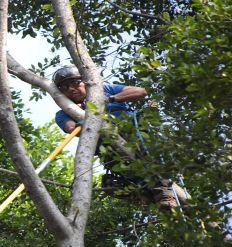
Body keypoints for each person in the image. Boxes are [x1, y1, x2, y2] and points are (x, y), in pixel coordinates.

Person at [52, 65, 187, 209]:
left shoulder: (103, 90)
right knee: (113, 182)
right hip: (107, 146)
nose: (71, 89)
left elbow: (140, 91)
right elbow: (71, 128)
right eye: (64, 87)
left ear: (84, 81)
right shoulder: (63, 113)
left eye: (74, 83)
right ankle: (144, 194)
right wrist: (82, 117)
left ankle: (163, 191)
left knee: (146, 159)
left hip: (132, 132)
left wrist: (109, 99)